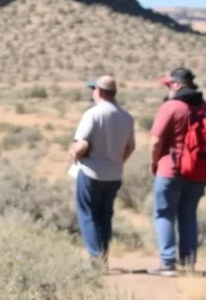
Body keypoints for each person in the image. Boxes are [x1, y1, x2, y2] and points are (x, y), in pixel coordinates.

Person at [68, 76, 135, 264]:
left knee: (88, 215)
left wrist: (73, 153)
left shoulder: (93, 114)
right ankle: (103, 256)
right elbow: (130, 146)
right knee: (105, 216)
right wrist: (117, 162)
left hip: (91, 172)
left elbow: (82, 144)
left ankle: (96, 258)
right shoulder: (126, 117)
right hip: (114, 174)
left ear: (98, 91)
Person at [150, 68, 206, 276]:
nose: (167, 88)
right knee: (189, 215)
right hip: (198, 172)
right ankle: (189, 263)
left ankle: (167, 263)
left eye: (168, 84)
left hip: (169, 170)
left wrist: (153, 163)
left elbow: (155, 140)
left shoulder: (171, 107)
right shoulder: (203, 107)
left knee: (164, 214)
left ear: (177, 84)